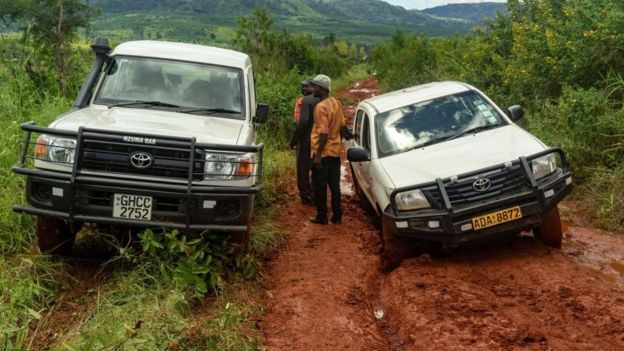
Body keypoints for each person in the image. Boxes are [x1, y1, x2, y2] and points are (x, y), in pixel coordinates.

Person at [308, 74, 346, 225]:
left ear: (322, 89)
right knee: (334, 186)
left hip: (323, 153)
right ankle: (337, 216)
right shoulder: (336, 103)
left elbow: (323, 132)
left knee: (320, 186)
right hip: (335, 152)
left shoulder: (321, 107)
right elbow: (342, 127)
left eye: (315, 87)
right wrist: (338, 142)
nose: (312, 89)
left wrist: (318, 156)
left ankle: (322, 216)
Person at [289, 79, 319, 205]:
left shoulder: (306, 101)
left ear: (314, 88)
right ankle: (317, 194)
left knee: (302, 169)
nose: (304, 89)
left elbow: (303, 122)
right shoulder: (325, 100)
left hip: (306, 139)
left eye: (306, 87)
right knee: (317, 168)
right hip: (320, 140)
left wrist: (294, 140)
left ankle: (306, 195)